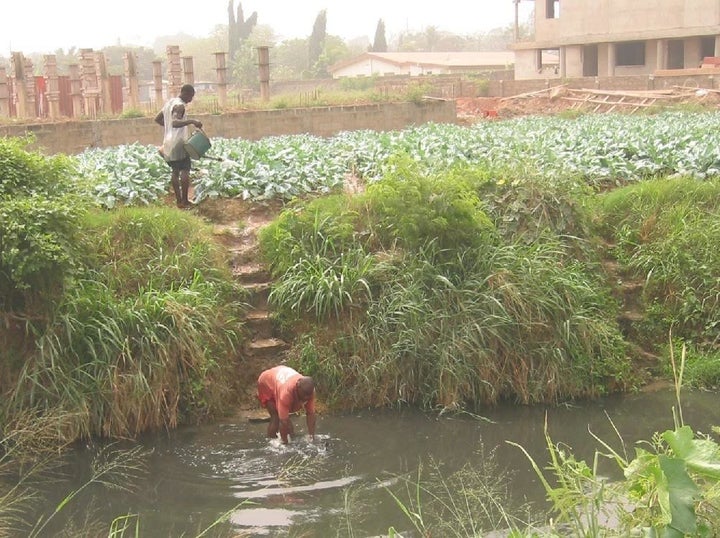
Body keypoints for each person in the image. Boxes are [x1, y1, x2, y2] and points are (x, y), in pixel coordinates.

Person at [154, 84, 203, 208]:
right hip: (179, 143)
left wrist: (169, 129)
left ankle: (179, 202)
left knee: (175, 171)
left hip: (168, 142)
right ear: (186, 93)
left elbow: (158, 119)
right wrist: (192, 121)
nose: (191, 100)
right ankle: (185, 201)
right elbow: (175, 122)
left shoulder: (169, 103)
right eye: (191, 96)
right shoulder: (180, 105)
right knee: (185, 170)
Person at [257, 365, 316, 444]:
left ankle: (289, 439)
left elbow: (311, 414)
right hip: (266, 382)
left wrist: (311, 437)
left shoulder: (310, 391)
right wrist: (285, 445)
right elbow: (283, 421)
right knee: (276, 417)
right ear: (297, 387)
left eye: (308, 396)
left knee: (288, 428)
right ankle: (270, 443)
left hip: (279, 378)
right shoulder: (286, 394)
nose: (306, 398)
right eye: (304, 395)